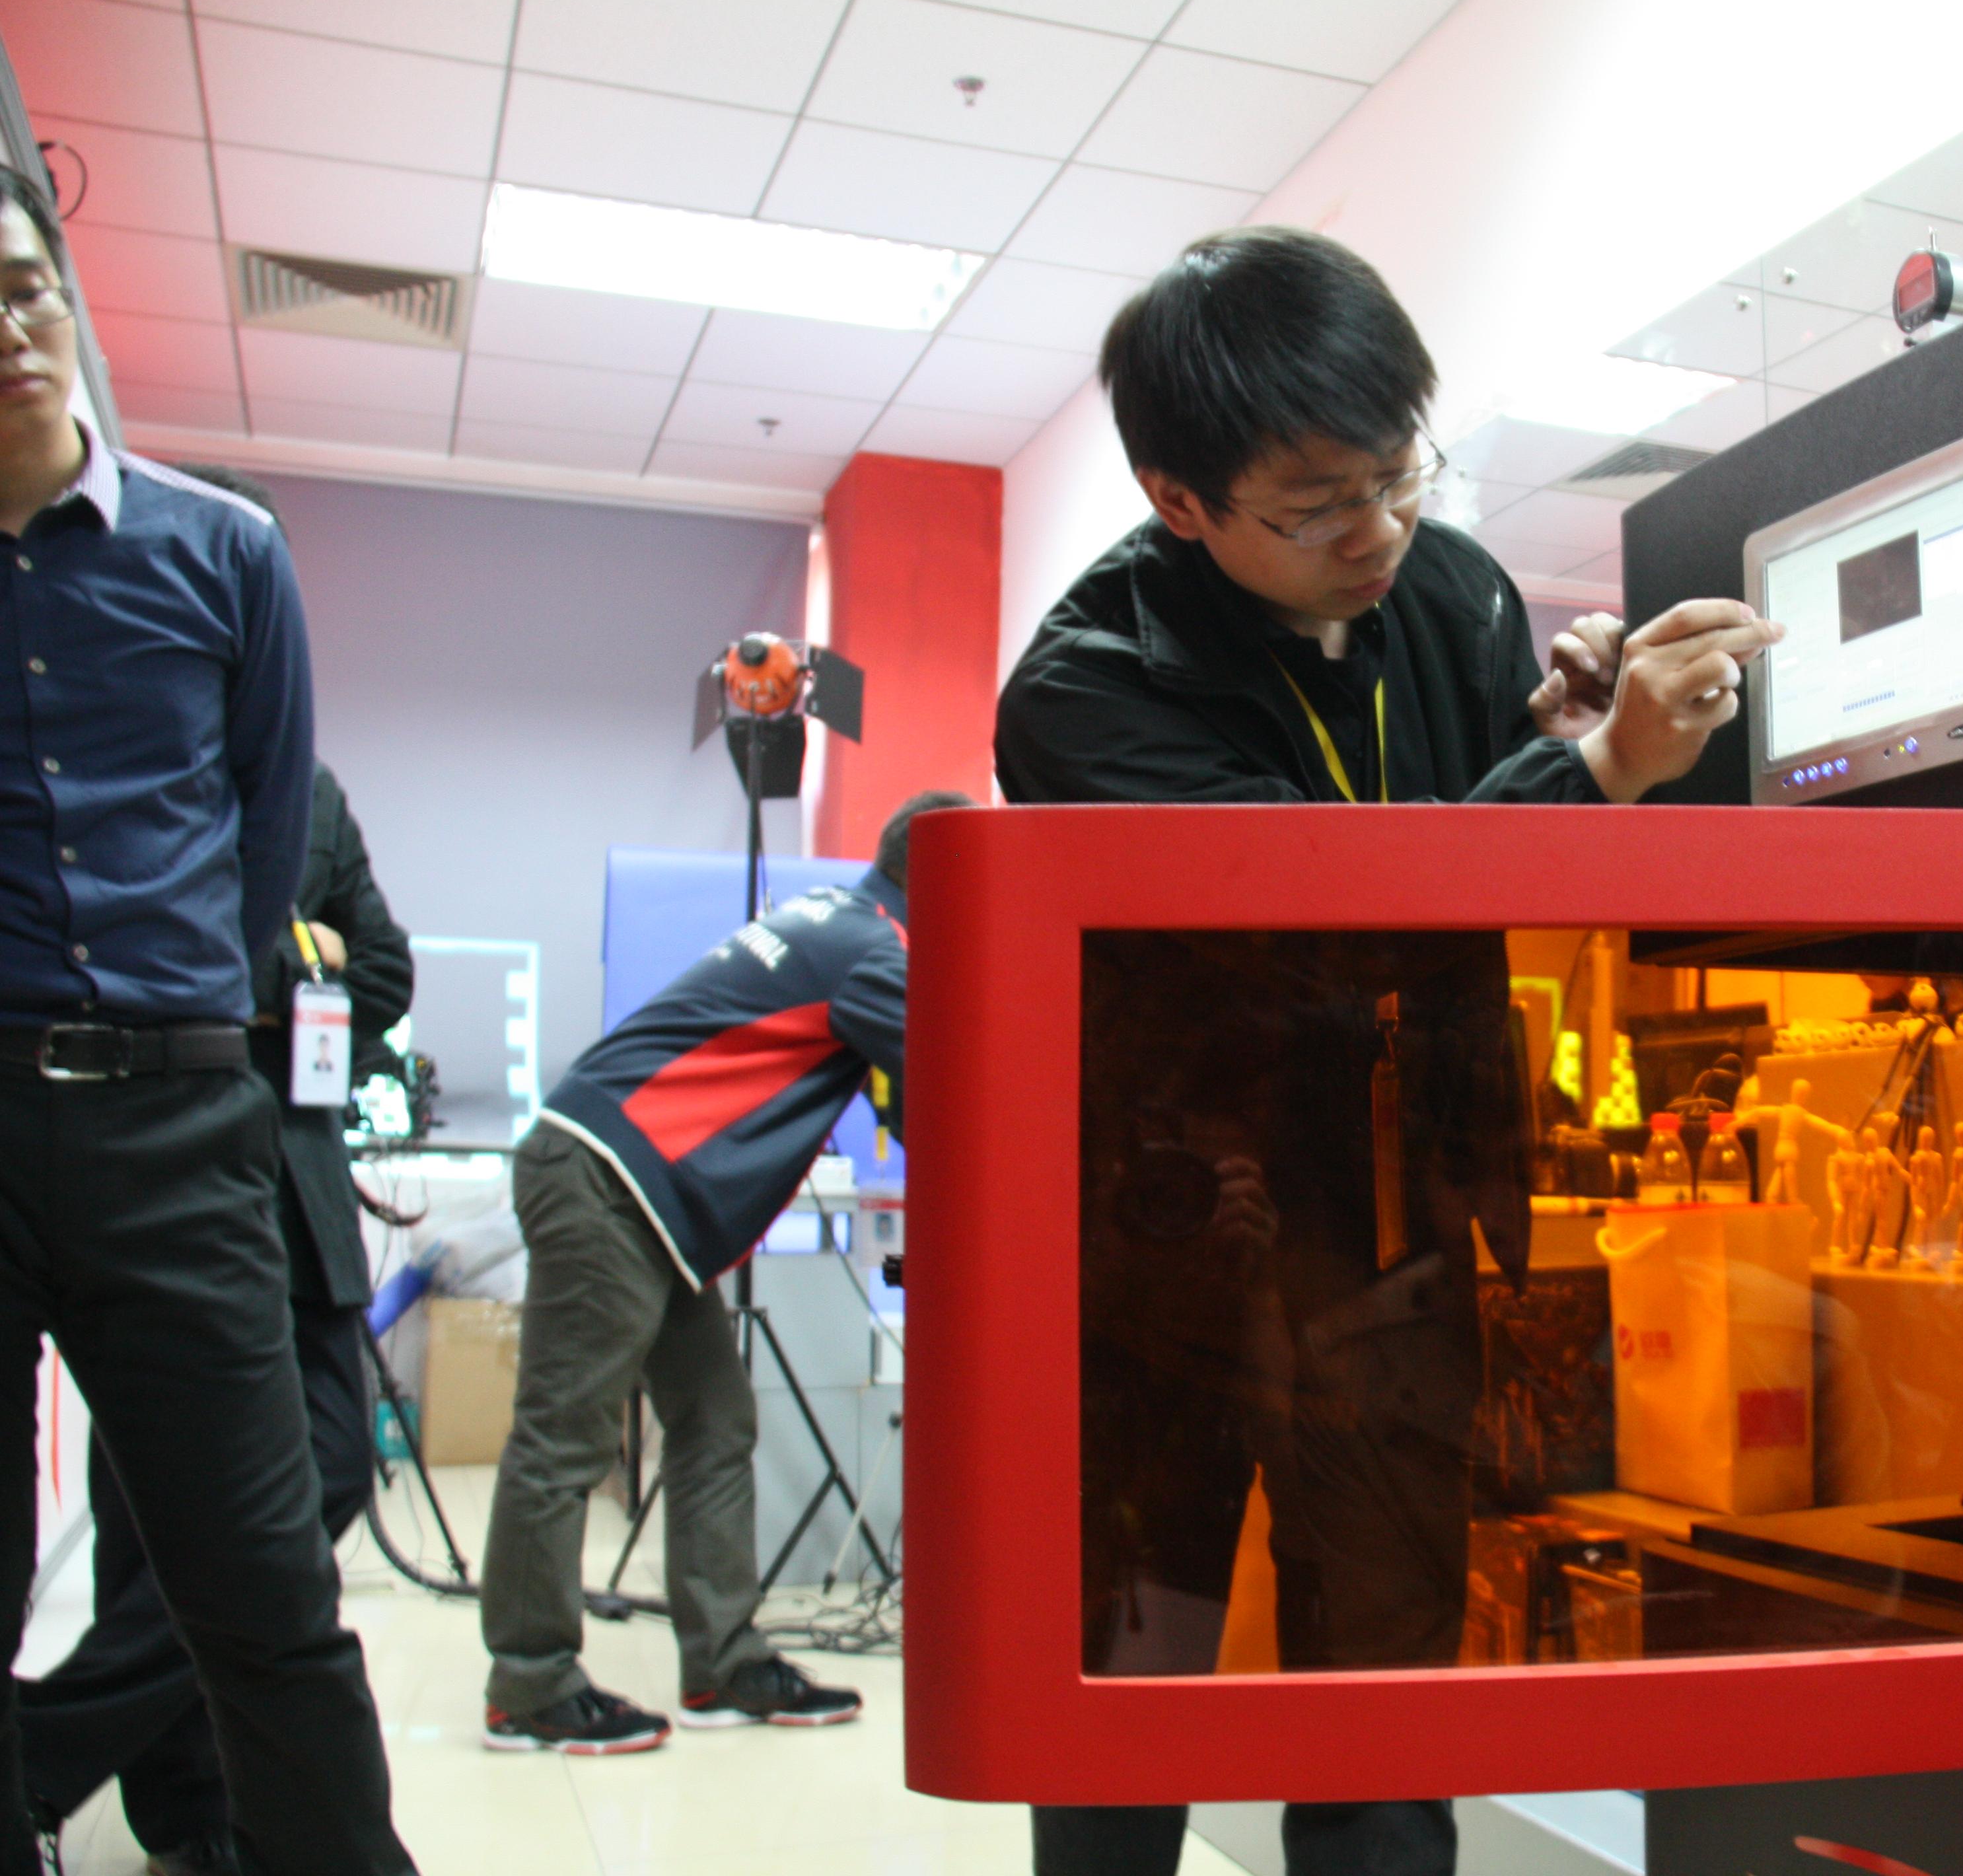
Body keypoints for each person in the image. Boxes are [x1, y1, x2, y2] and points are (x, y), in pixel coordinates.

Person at [996, 225, 1777, 1876]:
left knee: (1387, 1702)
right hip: (1171, 1267)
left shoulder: (1455, 590)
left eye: (1399, 471)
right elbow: (1309, 923)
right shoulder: (1082, 691)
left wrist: (1563, 730)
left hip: (1402, 1246)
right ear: (1180, 498)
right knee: (1129, 1690)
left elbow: (1481, 846)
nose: (1379, 531)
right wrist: (1591, 776)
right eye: (1318, 504)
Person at [0, 168, 413, 1876]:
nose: (9, 330)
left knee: (267, 1590)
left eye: (23, 286)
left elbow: (267, 834)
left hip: (177, 1131)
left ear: (65, 295)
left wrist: (187, 1024)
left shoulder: (222, 552)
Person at [480, 789, 966, 1754]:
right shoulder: (878, 951)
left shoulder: (837, 921)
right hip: (611, 1180)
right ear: (950, 880)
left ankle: (724, 1665)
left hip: (638, 1195)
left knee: (714, 1421)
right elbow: (956, 1091)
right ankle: (528, 1686)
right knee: (565, 1435)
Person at [18, 726, 412, 1871]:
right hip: (149, 1174)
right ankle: (187, 1813)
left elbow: (383, 973)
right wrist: (292, 957)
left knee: (331, 1466)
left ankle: (44, 1748)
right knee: (149, 1515)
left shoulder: (313, 795)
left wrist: (270, 971)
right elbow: (138, 961)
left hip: (293, 1176)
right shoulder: (111, 767)